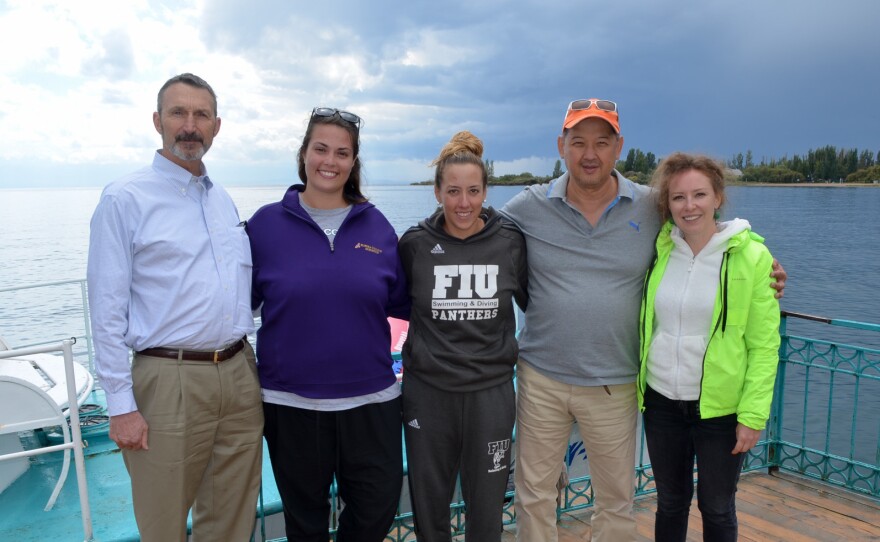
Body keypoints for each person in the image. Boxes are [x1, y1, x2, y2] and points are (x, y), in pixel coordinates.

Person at [499, 98, 786, 542]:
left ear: (620, 148)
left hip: (615, 381)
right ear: (561, 146)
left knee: (615, 500)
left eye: (602, 142)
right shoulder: (528, 206)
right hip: (541, 378)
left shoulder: (652, 206)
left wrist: (764, 268)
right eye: (578, 142)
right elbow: (470, 229)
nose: (589, 154)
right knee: (534, 494)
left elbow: (709, 232)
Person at [87, 73, 263, 541]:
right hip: (169, 380)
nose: (190, 125)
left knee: (232, 518)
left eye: (201, 114)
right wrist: (120, 404)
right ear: (157, 121)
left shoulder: (222, 200)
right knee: (164, 521)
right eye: (178, 113)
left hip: (238, 372)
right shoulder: (125, 199)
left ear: (217, 126)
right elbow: (105, 310)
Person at [247, 107, 410, 542]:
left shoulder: (377, 227)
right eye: (321, 148)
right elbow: (232, 305)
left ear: (353, 163)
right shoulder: (263, 226)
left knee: (378, 507)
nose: (330, 161)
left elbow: (408, 303)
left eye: (342, 152)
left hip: (372, 400)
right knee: (305, 522)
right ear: (303, 154)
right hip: (291, 403)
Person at [638, 152, 780, 541]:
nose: (689, 206)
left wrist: (753, 415)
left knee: (716, 506)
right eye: (678, 197)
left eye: (699, 194)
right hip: (662, 401)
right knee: (670, 502)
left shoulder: (752, 257)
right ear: (667, 205)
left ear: (718, 197)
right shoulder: (661, 249)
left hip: (721, 408)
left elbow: (765, 345)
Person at [398, 131, 528, 541]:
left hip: (490, 396)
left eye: (473, 191)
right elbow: (393, 309)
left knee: (486, 510)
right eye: (453, 191)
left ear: (486, 192)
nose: (464, 203)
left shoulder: (509, 243)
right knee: (430, 507)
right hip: (428, 394)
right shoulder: (415, 245)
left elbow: (538, 304)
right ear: (437, 192)